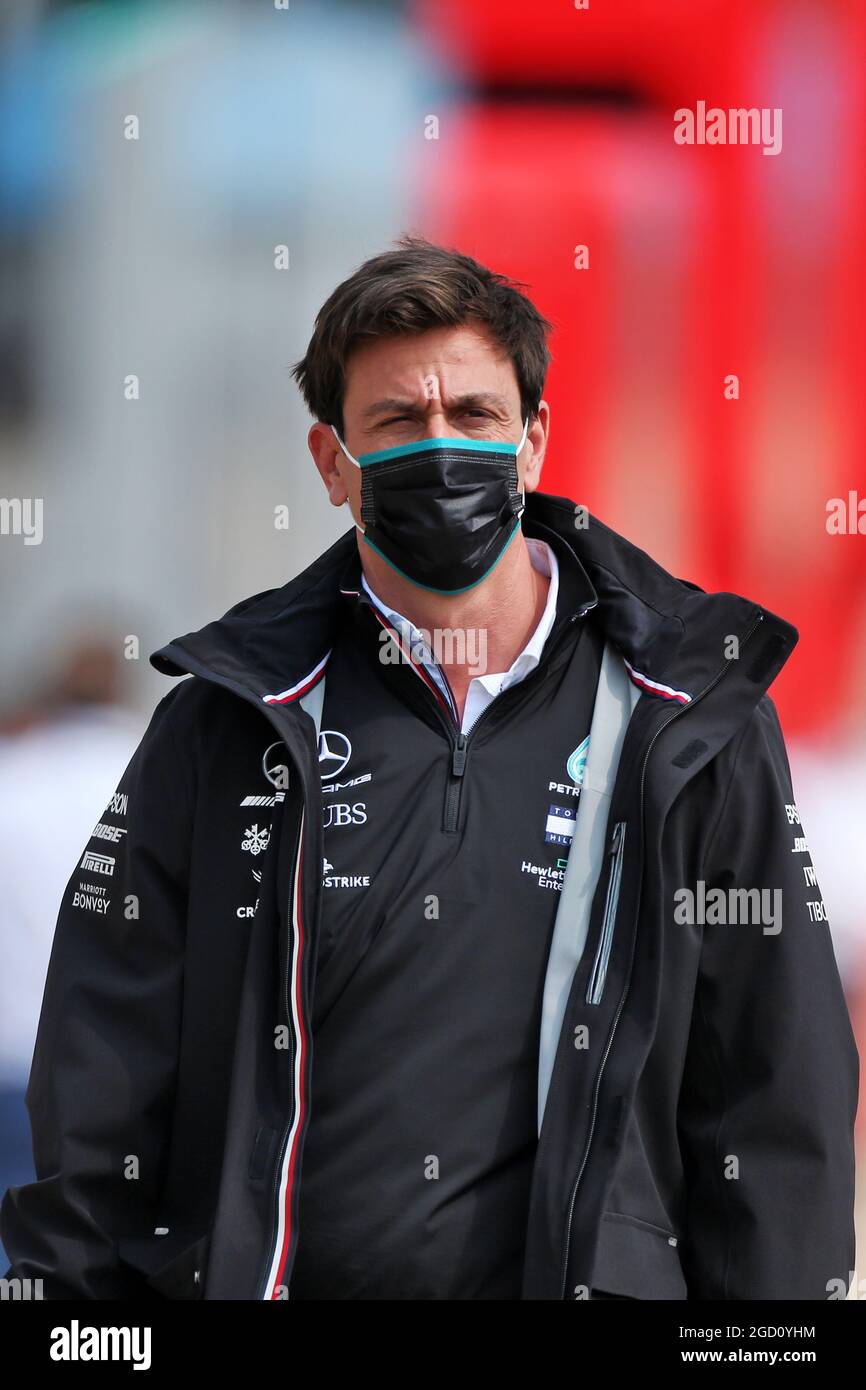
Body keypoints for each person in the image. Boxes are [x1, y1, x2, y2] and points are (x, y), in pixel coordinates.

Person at [1, 237, 858, 1301]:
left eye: (475, 416)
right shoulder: (224, 726)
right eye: (399, 423)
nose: (442, 446)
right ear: (329, 463)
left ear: (533, 441)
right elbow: (103, 1082)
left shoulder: (686, 719)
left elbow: (778, 1100)